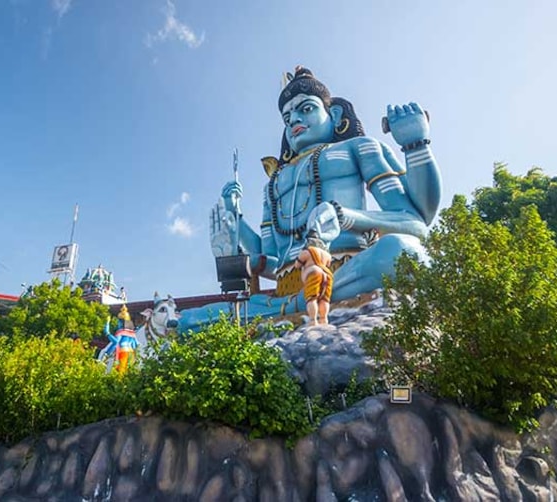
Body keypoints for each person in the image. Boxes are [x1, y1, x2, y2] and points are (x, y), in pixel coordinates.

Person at [182, 66, 442, 331]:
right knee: (186, 321)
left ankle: (304, 304)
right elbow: (273, 262)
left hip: (346, 273)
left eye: (305, 109)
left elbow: (414, 222)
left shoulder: (359, 148)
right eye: (287, 117)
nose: (294, 120)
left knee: (404, 253)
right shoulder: (273, 184)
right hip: (286, 292)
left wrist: (415, 145)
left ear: (335, 114)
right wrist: (235, 227)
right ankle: (302, 303)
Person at [297, 230, 334, 326]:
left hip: (313, 273)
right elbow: (328, 264)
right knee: (324, 299)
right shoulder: (327, 255)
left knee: (312, 298)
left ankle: (313, 320)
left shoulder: (307, 251)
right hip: (328, 275)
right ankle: (324, 319)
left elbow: (297, 265)